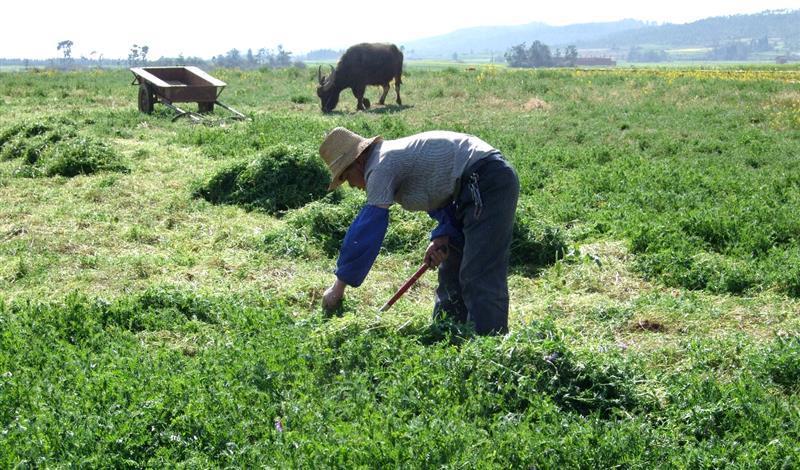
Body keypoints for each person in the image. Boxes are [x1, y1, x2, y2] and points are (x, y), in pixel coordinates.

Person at [318, 127, 519, 335]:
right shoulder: (386, 159)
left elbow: (366, 232)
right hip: (470, 185)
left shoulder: (378, 166)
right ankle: (447, 335)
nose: (351, 185)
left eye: (346, 176)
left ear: (357, 161)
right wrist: (443, 233)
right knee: (453, 264)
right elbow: (437, 192)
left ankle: (488, 347)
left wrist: (338, 287)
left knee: (478, 271)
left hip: (486, 178)